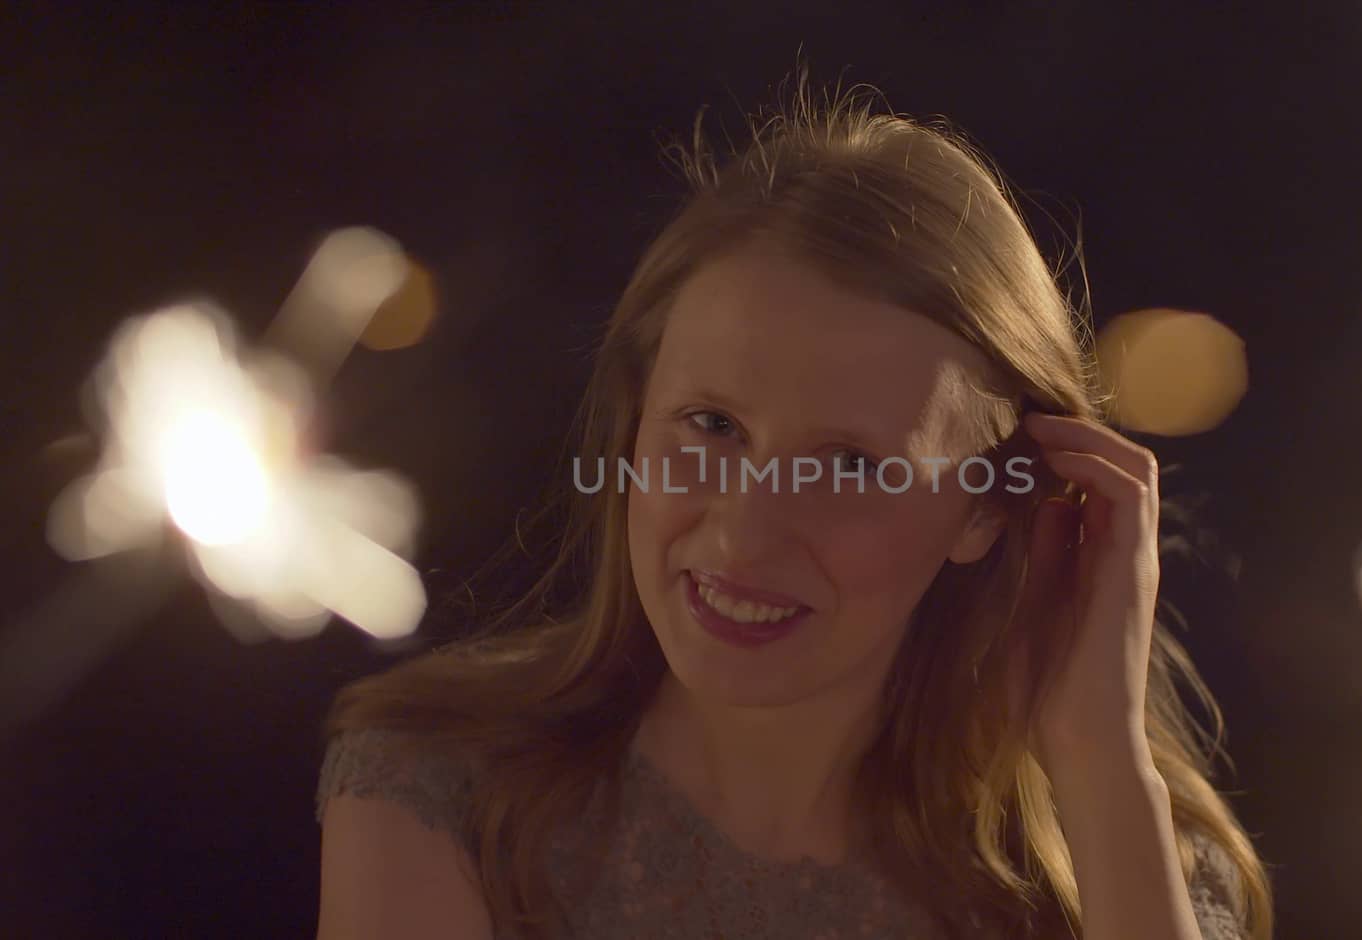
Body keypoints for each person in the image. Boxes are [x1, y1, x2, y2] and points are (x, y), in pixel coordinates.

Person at [313, 71, 1274, 940]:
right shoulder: (440, 794)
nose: (742, 529)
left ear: (989, 507)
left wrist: (1100, 759)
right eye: (712, 426)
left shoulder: (1137, 871)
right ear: (634, 418)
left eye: (851, 466)